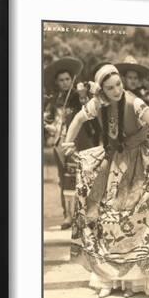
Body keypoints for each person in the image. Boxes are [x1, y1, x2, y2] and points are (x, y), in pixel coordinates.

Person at [63, 63, 149, 298]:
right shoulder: (97, 104)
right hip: (112, 162)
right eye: (110, 87)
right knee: (108, 220)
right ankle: (109, 278)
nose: (117, 90)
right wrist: (68, 142)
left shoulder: (134, 102)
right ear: (102, 90)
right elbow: (77, 119)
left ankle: (137, 282)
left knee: (138, 220)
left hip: (139, 161)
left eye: (118, 84)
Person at [43, 57, 101, 230]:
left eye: (68, 79)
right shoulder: (53, 101)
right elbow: (48, 120)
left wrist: (83, 94)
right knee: (64, 180)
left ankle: (86, 213)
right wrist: (50, 126)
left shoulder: (78, 97)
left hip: (81, 142)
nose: (65, 83)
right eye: (61, 80)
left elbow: (88, 109)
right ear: (57, 82)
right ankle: (67, 215)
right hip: (60, 144)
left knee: (85, 177)